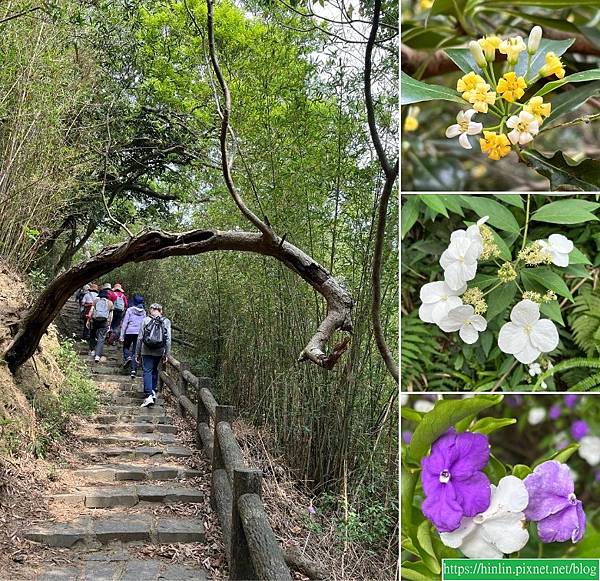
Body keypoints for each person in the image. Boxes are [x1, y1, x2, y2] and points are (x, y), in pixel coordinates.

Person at [136, 303, 171, 407]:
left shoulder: (145, 320)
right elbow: (168, 340)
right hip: (159, 351)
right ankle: (153, 391)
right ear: (161, 310)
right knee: (155, 370)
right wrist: (166, 354)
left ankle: (148, 395)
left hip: (146, 350)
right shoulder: (166, 321)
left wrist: (137, 353)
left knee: (147, 371)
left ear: (151, 310)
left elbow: (140, 338)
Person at [119, 294, 146, 378]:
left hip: (129, 332)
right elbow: (144, 325)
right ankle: (133, 371)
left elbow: (125, 323)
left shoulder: (130, 310)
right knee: (135, 351)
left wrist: (121, 335)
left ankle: (128, 357)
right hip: (139, 334)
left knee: (125, 347)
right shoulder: (144, 312)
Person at [87, 283, 113, 362]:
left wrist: (88, 319)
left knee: (92, 334)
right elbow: (111, 315)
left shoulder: (95, 301)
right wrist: (109, 324)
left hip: (95, 321)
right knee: (101, 339)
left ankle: (92, 350)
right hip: (104, 322)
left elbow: (91, 310)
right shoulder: (110, 303)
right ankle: (97, 356)